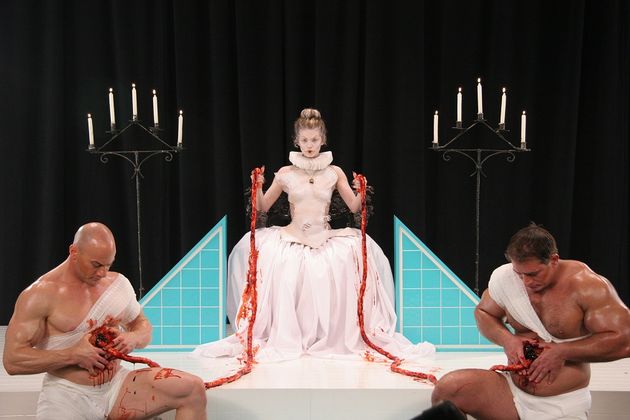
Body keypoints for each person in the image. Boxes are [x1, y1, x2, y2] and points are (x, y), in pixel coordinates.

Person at [194, 108, 434, 361]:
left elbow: (354, 207)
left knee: (350, 256)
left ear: (323, 140)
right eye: (305, 140)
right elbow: (262, 206)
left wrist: (361, 191)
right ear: (297, 141)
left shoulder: (334, 172)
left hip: (324, 236)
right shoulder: (285, 173)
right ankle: (288, 332)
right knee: (267, 258)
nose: (310, 145)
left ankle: (334, 333)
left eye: (314, 140)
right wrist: (258, 187)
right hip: (293, 235)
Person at [3, 222, 207, 420]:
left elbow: (142, 326)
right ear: (74, 252)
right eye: (96, 265)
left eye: (108, 265)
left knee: (193, 389)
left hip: (117, 385)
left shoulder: (116, 284)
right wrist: (72, 355)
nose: (102, 273)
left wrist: (133, 338)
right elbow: (13, 361)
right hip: (66, 394)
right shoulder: (39, 295)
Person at [431, 223, 630, 420]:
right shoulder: (506, 279)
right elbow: (483, 312)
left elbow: (624, 340)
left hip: (563, 403)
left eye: (533, 274)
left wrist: (562, 352)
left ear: (554, 260)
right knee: (449, 390)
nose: (526, 282)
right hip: (511, 394)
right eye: (520, 274)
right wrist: (507, 340)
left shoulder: (586, 285)